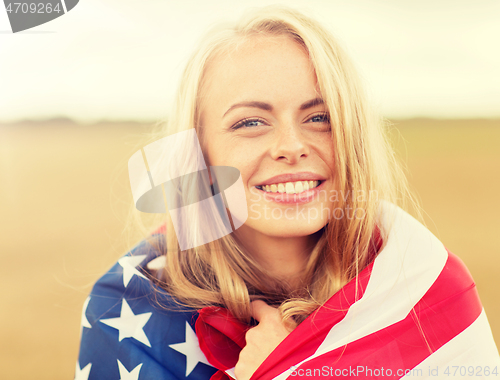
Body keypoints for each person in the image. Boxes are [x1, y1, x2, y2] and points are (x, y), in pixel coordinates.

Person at [76, 6, 500, 380]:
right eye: (250, 123)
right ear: (198, 156)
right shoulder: (128, 309)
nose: (291, 146)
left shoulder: (423, 283)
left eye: (319, 117)